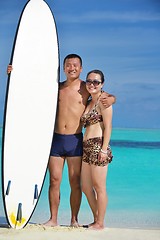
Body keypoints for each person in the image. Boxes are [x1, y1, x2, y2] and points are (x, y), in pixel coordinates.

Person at [7, 54, 116, 227]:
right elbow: (32, 89)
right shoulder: (55, 88)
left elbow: (103, 95)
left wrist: (111, 98)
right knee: (54, 181)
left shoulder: (86, 87)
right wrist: (16, 74)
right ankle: (53, 219)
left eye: (75, 65)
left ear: (80, 68)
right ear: (63, 68)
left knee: (75, 182)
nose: (71, 68)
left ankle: (74, 220)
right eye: (68, 65)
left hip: (75, 140)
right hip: (56, 140)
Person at [80, 69, 113, 230]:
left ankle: (100, 223)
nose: (92, 84)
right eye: (89, 81)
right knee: (86, 187)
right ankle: (96, 219)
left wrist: (104, 149)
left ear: (102, 84)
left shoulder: (104, 100)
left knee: (99, 187)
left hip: (98, 145)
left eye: (96, 82)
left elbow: (108, 127)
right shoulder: (89, 101)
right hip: (86, 147)